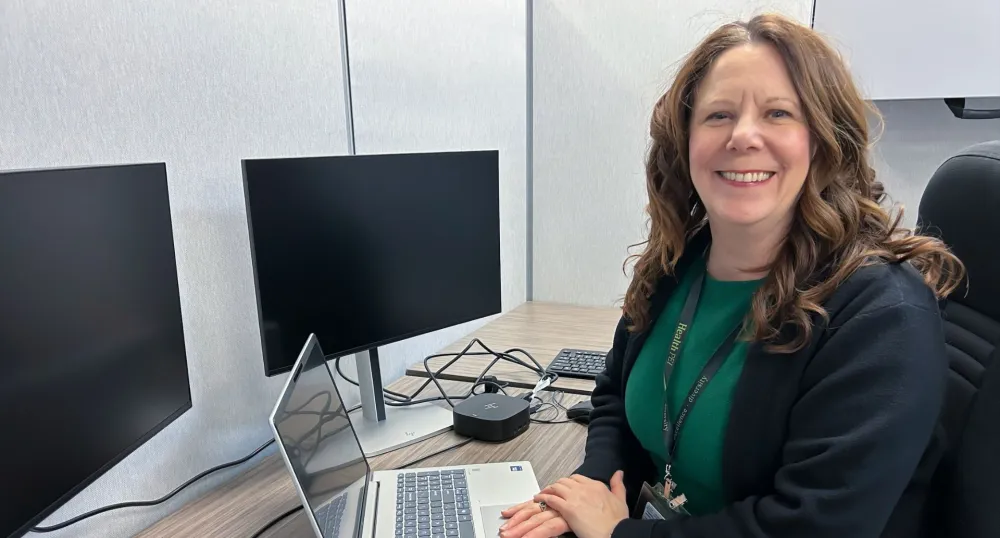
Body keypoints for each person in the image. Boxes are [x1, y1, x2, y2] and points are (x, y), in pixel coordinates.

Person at [499, 12, 964, 538]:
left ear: (821, 140)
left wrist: (620, 534)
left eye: (778, 113)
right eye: (718, 115)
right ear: (686, 141)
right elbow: (612, 395)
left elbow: (814, 526)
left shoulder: (881, 316)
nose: (743, 136)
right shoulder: (681, 263)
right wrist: (594, 488)